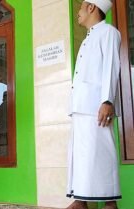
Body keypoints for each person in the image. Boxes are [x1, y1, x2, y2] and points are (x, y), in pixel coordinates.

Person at [66, 1, 121, 209]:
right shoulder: (88, 38)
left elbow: (111, 66)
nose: (78, 13)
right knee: (83, 155)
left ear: (91, 8)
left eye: (80, 8)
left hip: (96, 105)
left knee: (101, 153)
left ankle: (109, 203)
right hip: (81, 105)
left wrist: (107, 100)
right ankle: (80, 201)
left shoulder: (109, 32)